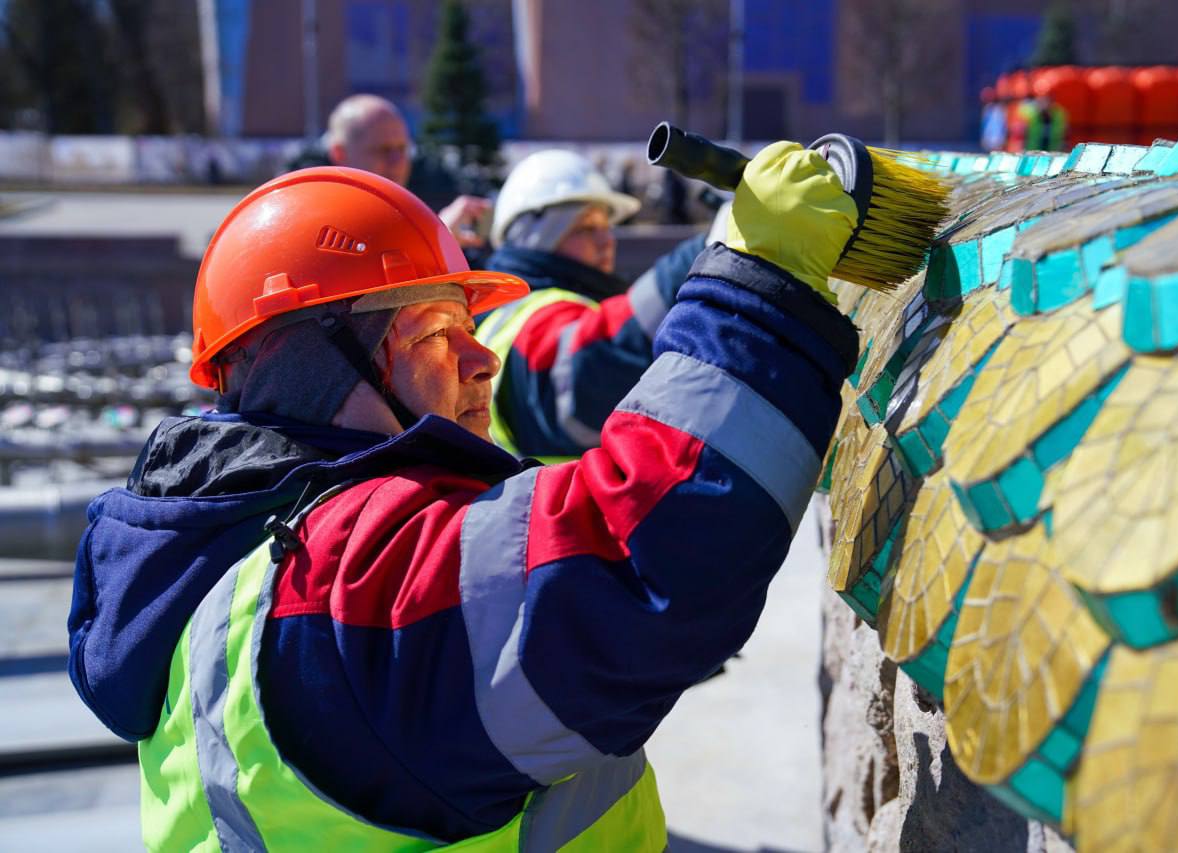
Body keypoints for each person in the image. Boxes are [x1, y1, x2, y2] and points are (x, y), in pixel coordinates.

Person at [66, 148, 860, 849]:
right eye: (435, 331)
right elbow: (635, 561)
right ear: (319, 368)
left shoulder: (216, 547)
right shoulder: (338, 577)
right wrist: (761, 289)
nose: (483, 360)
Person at [477, 149, 707, 460]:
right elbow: (595, 365)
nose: (606, 240)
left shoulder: (496, 313)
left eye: (606, 226)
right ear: (538, 238)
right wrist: (703, 254)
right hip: (562, 508)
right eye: (586, 227)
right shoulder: (539, 318)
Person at [327, 93, 490, 248]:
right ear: (340, 154)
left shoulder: (410, 212)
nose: (398, 161)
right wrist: (439, 239)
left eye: (402, 148)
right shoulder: (322, 225)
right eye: (383, 150)